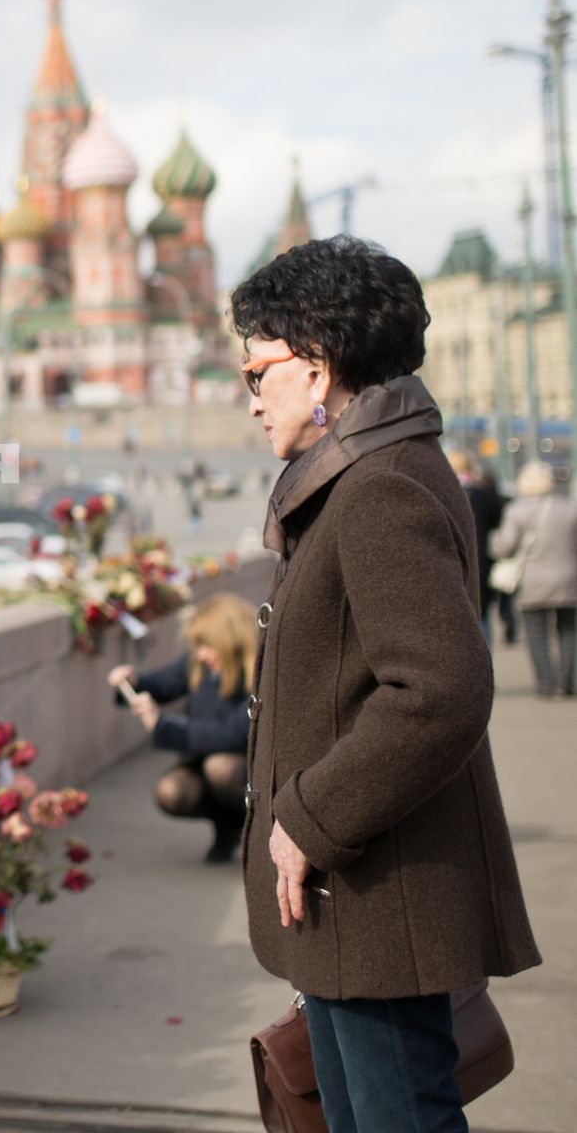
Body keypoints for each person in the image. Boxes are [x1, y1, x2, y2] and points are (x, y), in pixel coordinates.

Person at [230, 236, 539, 1131]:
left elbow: (438, 689)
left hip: (374, 887)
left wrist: (307, 821)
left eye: (258, 373)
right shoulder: (363, 473)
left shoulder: (378, 488)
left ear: (318, 366)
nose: (250, 399)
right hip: (351, 892)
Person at [106, 592, 255, 863]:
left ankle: (252, 829)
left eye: (207, 645)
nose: (201, 653)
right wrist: (133, 682)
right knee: (171, 792)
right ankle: (227, 826)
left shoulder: (261, 673)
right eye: (198, 645)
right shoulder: (198, 663)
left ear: (232, 641)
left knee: (220, 768)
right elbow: (162, 684)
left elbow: (232, 734)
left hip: (244, 766)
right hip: (203, 760)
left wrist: (164, 726)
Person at [489, 460, 577, 697]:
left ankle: (546, 683)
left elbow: (504, 547)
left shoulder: (517, 511)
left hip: (533, 580)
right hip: (568, 578)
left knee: (537, 634)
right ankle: (568, 681)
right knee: (568, 631)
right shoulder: (569, 509)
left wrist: (494, 540)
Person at [447, 450, 514, 644]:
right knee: (481, 611)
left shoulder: (439, 491)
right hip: (480, 558)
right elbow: (498, 522)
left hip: (448, 557)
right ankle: (484, 661)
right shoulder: (484, 493)